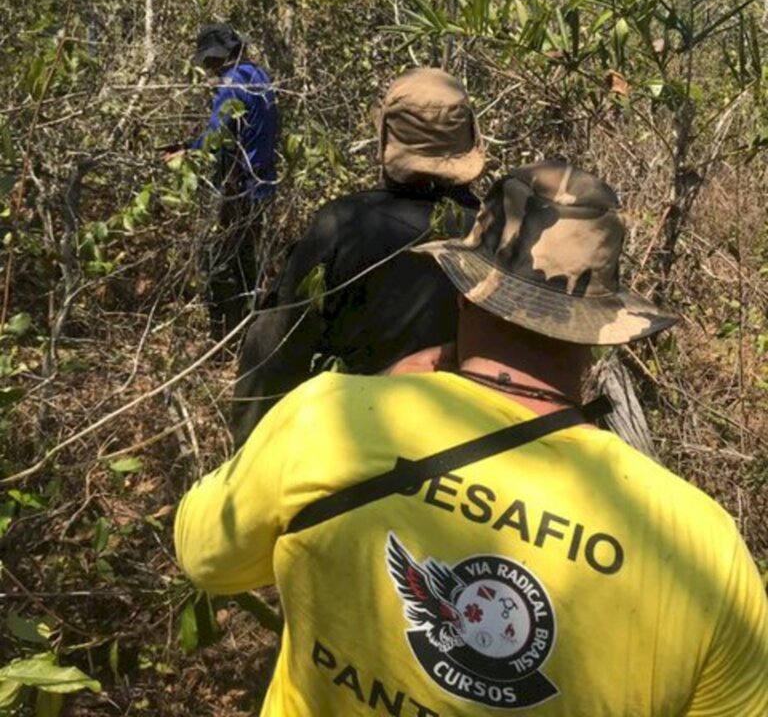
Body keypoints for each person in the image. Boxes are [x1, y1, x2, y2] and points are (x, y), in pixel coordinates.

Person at [175, 161, 767, 716]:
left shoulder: (329, 418)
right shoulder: (703, 551)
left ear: (463, 287)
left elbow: (206, 556)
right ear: (602, 329)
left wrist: (374, 391)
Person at [232, 66, 485, 444]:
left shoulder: (343, 225)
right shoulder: (495, 233)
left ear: (385, 137)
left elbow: (277, 350)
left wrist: (251, 455)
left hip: (357, 444)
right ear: (469, 138)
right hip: (470, 452)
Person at [170, 22, 278, 341]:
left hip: (239, 188)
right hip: (262, 184)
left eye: (209, 59)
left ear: (220, 55)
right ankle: (250, 334)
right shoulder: (260, 76)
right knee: (247, 262)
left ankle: (225, 340)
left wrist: (187, 152)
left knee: (221, 265)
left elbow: (216, 139)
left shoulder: (231, 83)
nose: (207, 67)